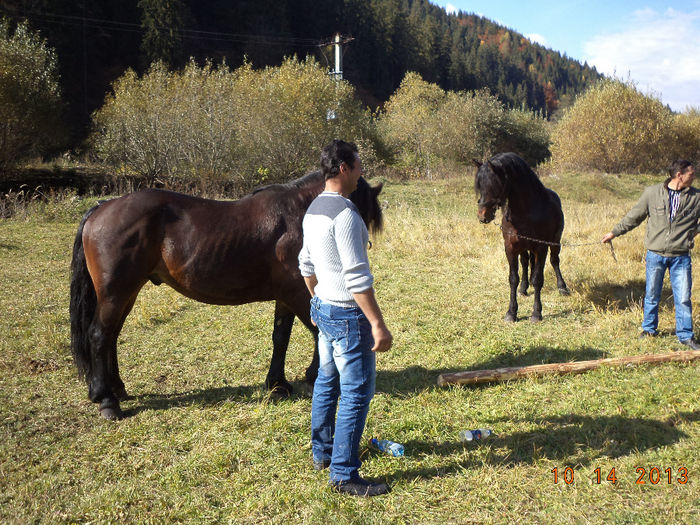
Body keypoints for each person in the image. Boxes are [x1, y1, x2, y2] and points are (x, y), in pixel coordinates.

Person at [298, 140, 393, 497]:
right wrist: (378, 324)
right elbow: (357, 278)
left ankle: (322, 452)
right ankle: (344, 474)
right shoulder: (347, 215)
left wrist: (318, 300)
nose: (361, 172)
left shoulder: (313, 209)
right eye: (358, 165)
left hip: (323, 307)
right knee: (356, 392)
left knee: (326, 380)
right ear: (344, 169)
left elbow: (306, 265)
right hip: (349, 316)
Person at [602, 160, 700, 349]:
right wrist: (614, 232)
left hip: (681, 256)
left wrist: (693, 232)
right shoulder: (652, 193)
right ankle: (648, 330)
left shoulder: (697, 197)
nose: (694, 176)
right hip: (655, 254)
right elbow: (634, 216)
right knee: (652, 294)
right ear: (679, 174)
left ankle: (686, 336)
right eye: (691, 173)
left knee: (683, 298)